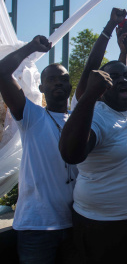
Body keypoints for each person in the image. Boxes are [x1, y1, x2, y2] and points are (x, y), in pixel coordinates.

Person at [59, 8, 127, 264]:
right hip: (101, 228)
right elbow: (71, 153)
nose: (122, 80)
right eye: (113, 77)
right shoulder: (96, 114)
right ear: (101, 87)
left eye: (126, 76)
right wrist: (90, 96)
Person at [0, 36, 78, 263]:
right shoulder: (32, 115)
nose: (58, 83)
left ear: (70, 86)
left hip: (75, 223)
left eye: (63, 79)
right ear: (42, 87)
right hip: (36, 226)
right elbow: (3, 73)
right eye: (51, 80)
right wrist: (31, 48)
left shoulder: (79, 121)